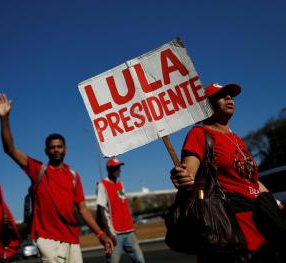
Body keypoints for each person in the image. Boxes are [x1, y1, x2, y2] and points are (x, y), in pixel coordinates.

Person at [170, 83, 285, 262]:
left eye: (230, 95)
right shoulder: (199, 133)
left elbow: (251, 180)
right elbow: (189, 171)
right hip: (233, 222)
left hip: (261, 219)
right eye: (221, 95)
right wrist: (183, 176)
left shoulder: (237, 139)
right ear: (207, 105)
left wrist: (274, 201)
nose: (229, 98)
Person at [0, 93, 114, 263]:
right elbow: (10, 150)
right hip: (47, 239)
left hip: (72, 238)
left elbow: (83, 209)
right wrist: (4, 119)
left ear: (65, 150)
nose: (56, 150)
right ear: (46, 151)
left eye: (59, 147)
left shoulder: (73, 176)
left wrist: (101, 234)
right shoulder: (38, 170)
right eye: (52, 147)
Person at [96, 157, 145, 263]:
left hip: (129, 231)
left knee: (140, 260)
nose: (118, 170)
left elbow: (124, 205)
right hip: (115, 233)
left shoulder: (120, 184)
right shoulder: (102, 185)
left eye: (118, 167)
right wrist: (108, 232)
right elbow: (101, 209)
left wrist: (132, 224)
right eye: (115, 168)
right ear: (109, 169)